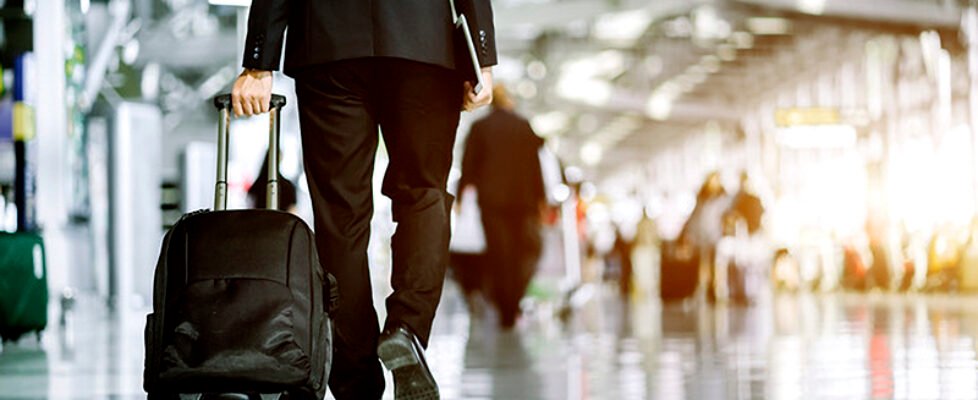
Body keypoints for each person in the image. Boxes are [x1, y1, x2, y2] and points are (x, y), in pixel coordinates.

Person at [230, 1, 497, 398]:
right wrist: (482, 55)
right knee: (422, 194)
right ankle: (407, 329)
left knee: (340, 217)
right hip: (425, 45)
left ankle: (355, 383)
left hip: (327, 45)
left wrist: (259, 62)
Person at [457, 84, 545, 329]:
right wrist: (541, 199)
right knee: (520, 253)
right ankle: (513, 302)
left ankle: (504, 305)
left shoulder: (480, 128)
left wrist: (462, 197)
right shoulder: (524, 126)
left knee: (499, 254)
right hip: (522, 201)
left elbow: (469, 164)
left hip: (492, 201)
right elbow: (535, 167)